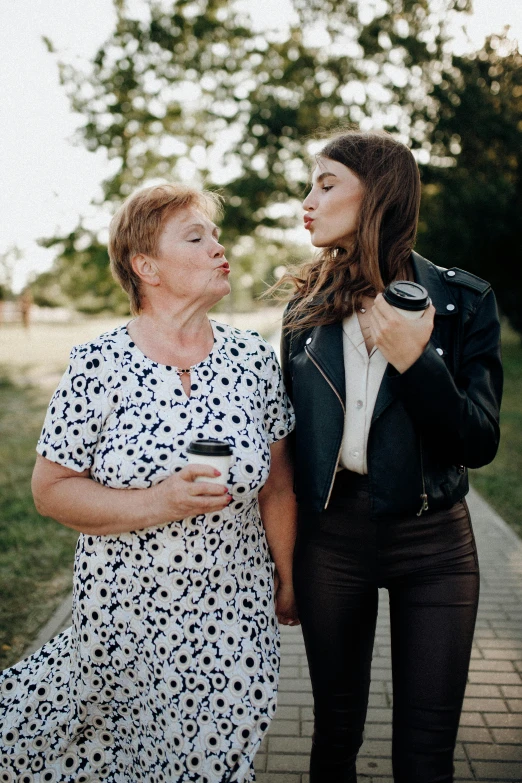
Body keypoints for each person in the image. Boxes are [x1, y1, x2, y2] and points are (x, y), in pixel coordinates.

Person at [0, 183, 298, 782]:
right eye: (197, 237)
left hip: (232, 617)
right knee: (123, 761)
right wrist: (160, 501)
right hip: (121, 621)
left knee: (213, 762)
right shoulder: (98, 362)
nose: (220, 247)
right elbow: (50, 489)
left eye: (215, 235)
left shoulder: (254, 359)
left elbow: (277, 487)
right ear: (146, 266)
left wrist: (289, 581)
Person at [279, 130, 503, 782]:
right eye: (310, 185)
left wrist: (415, 359)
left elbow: (479, 441)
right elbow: (290, 446)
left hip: (435, 546)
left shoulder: (465, 302)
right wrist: (286, 560)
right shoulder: (305, 308)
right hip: (333, 542)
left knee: (426, 756)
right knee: (334, 737)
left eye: (325, 184)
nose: (308, 201)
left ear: (376, 194)